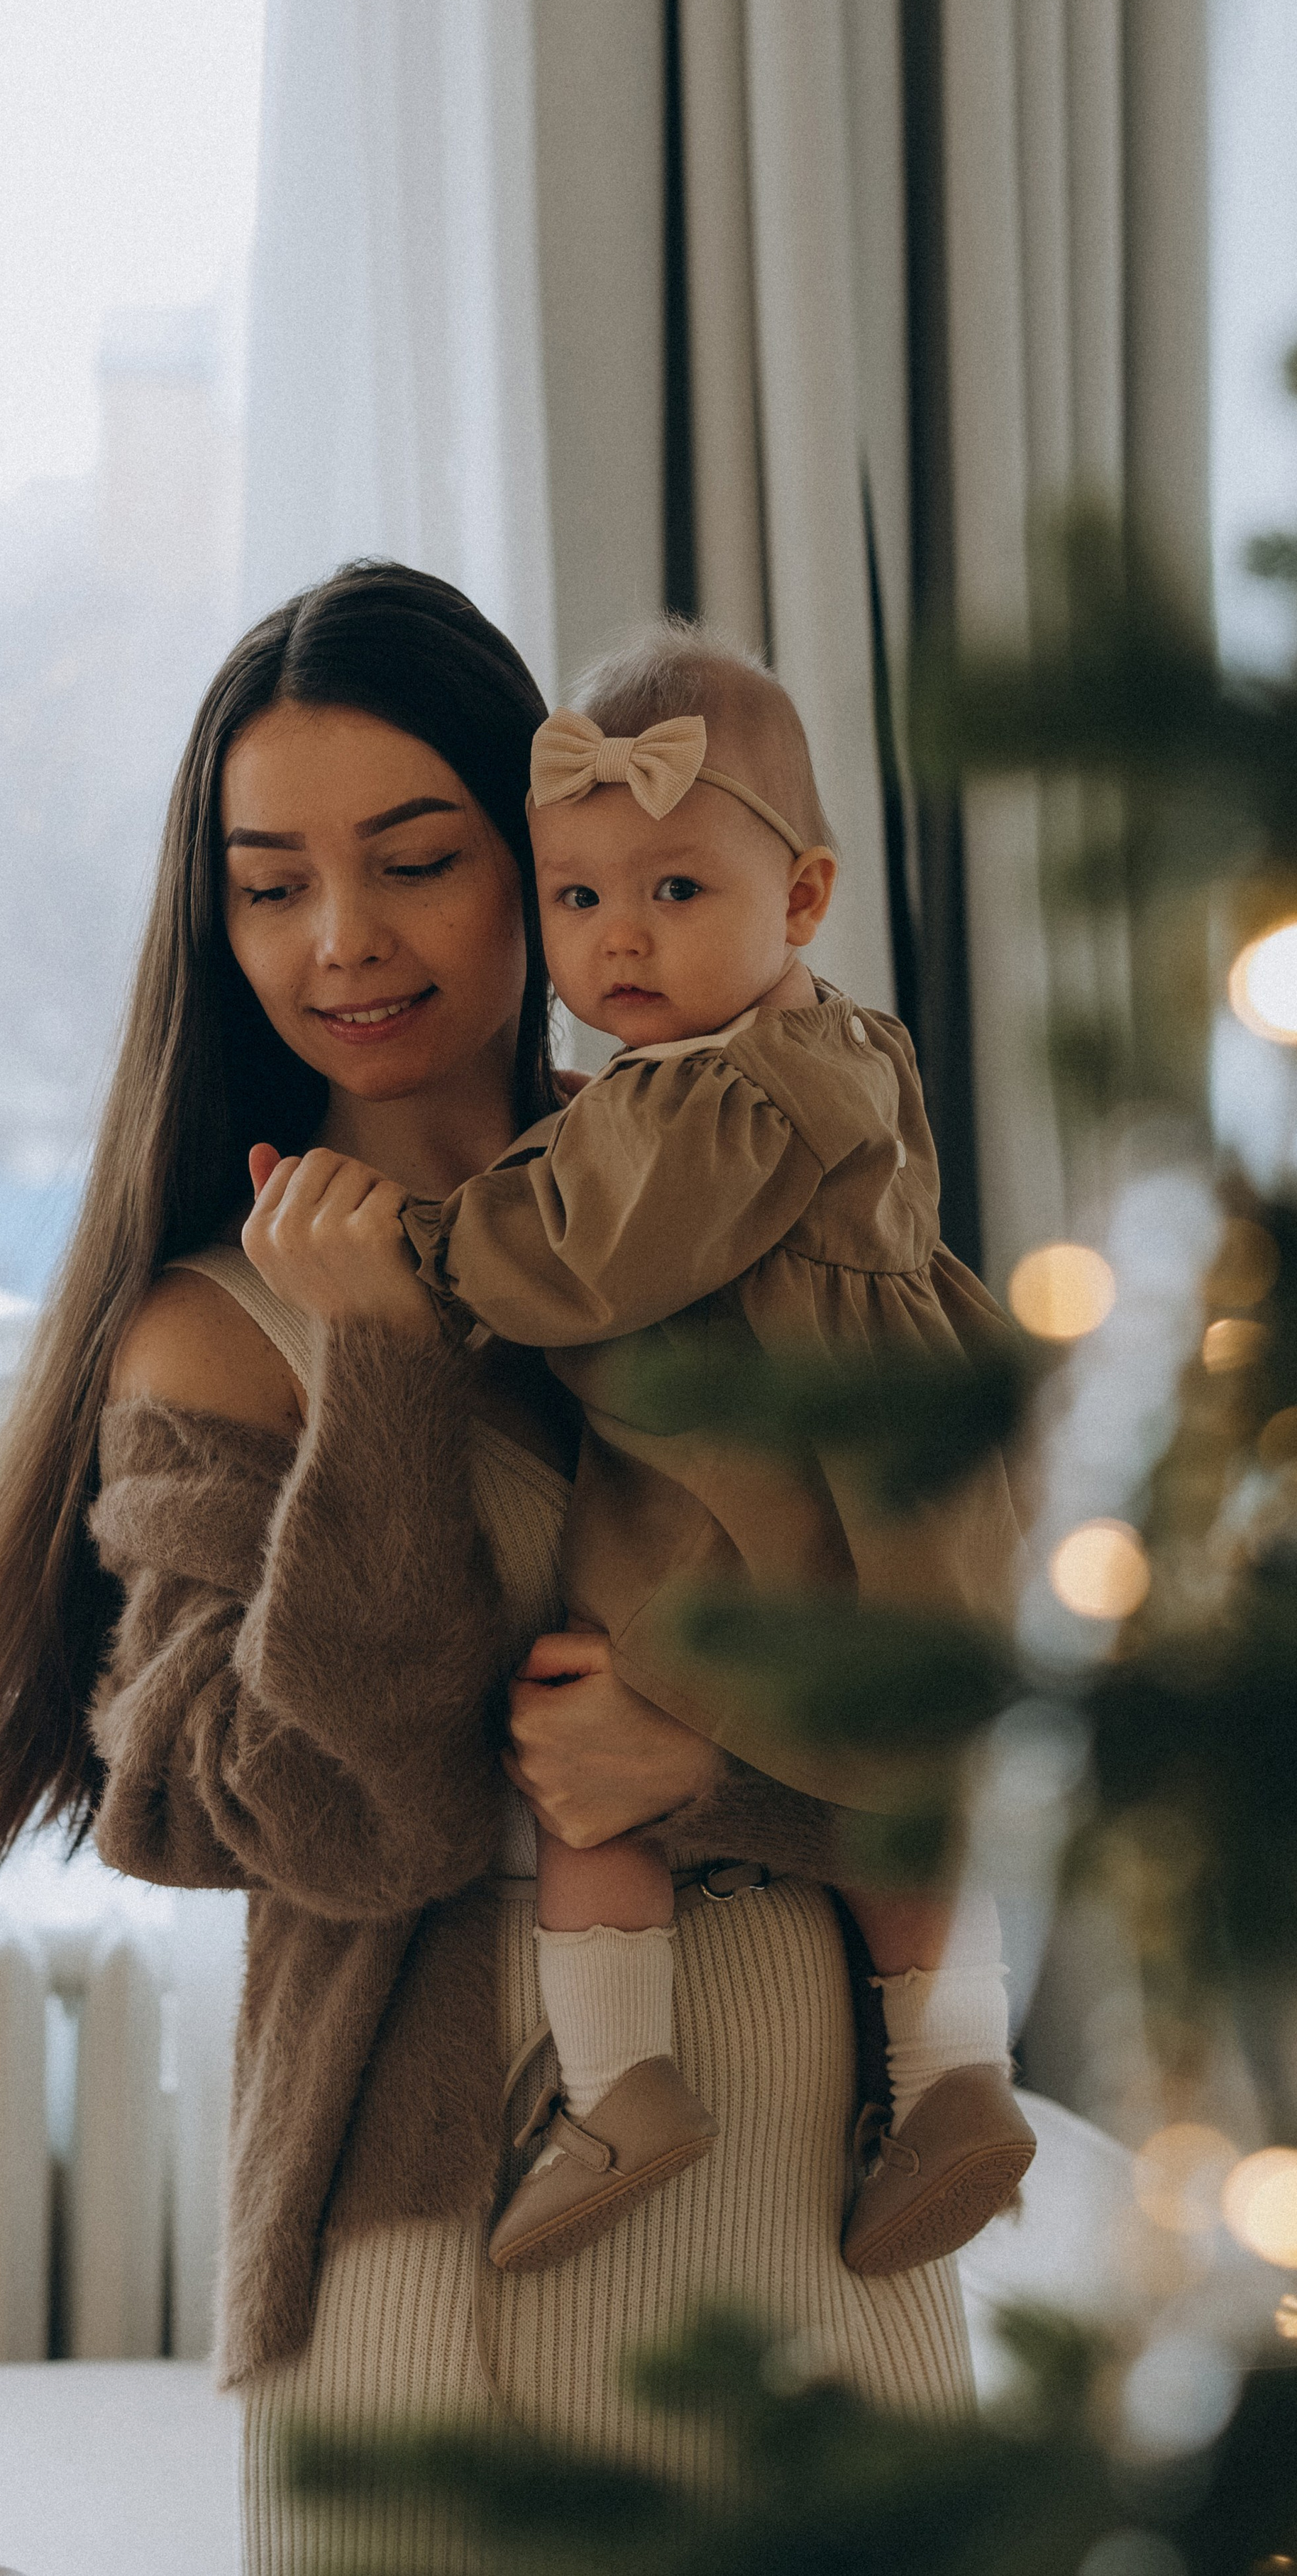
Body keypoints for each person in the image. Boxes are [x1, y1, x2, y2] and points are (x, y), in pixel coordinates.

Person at [0, 564, 973, 2576]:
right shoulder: (210, 1337)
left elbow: (993, 1670)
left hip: (812, 2184)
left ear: (544, 868)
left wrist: (699, 1761)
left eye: (415, 861)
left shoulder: (754, 1193)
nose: (340, 942)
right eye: (270, 885)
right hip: (448, 2228)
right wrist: (375, 1364)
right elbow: (317, 1822)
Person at [250, 620, 1034, 2285]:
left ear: (800, 901)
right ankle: (952, 2069)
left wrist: (430, 1267)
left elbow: (583, 1255)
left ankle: (616, 2080)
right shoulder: (831, 1052)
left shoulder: (696, 1102)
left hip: (762, 1494)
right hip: (902, 1492)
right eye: (581, 897)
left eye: (675, 893)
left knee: (590, 1749)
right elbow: (288, 1809)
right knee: (906, 1771)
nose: (616, 942)